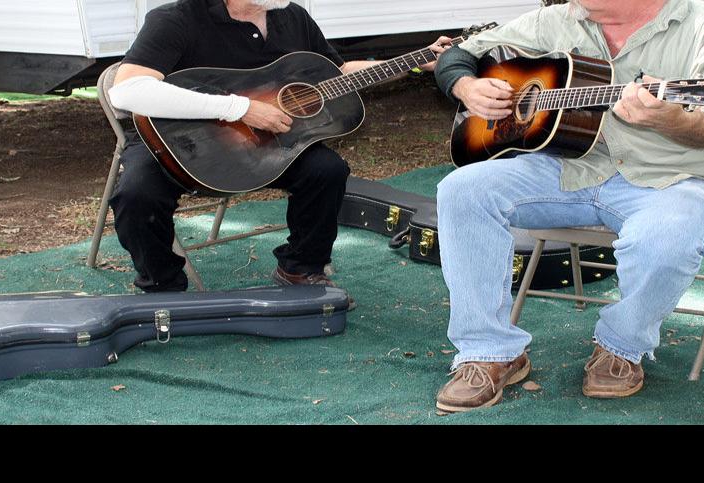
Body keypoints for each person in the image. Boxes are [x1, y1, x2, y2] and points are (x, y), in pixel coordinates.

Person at [431, 0, 704, 412]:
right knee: (462, 191)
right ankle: (488, 352)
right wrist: (465, 86)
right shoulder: (557, 20)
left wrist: (670, 119)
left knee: (666, 238)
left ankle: (620, 347)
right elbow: (457, 54)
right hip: (575, 167)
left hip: (676, 178)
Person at [107, 0, 451, 294]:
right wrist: (239, 109)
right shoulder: (177, 18)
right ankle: (164, 287)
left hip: (268, 147)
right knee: (137, 195)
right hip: (182, 144)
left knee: (327, 170)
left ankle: (300, 268)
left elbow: (340, 71)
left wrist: (416, 61)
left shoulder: (292, 16)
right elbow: (127, 91)